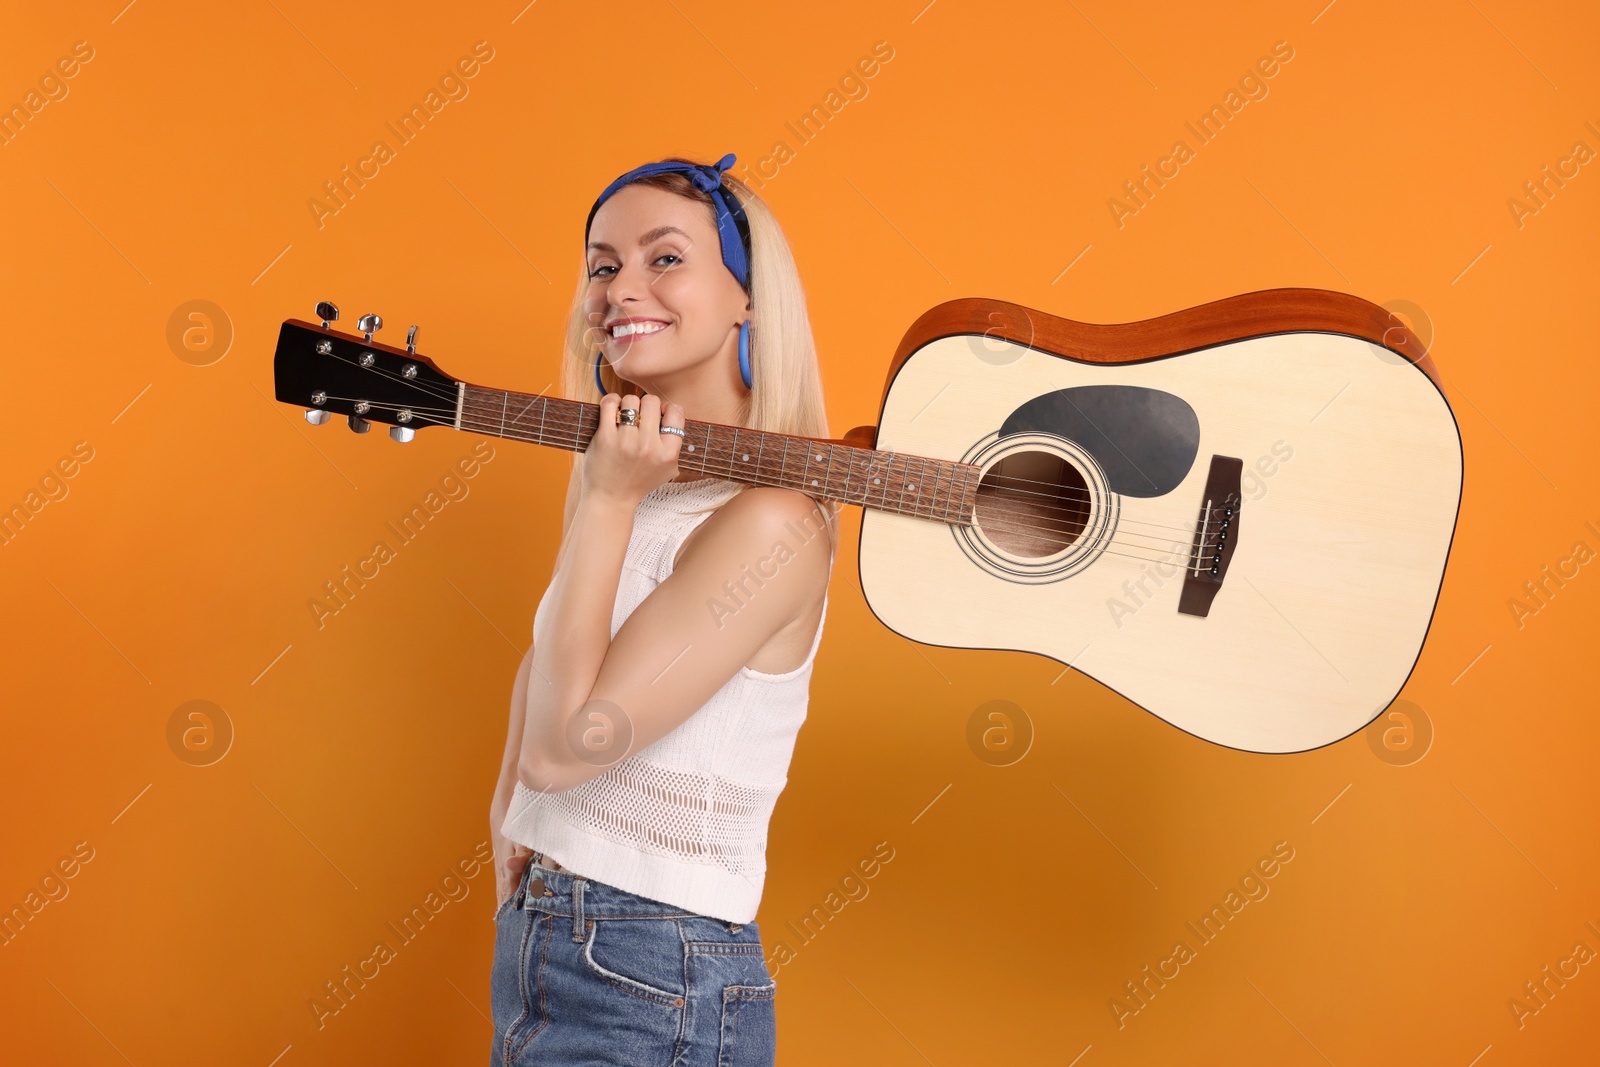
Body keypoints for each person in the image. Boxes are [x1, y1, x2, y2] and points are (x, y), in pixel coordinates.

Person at [486, 153, 838, 1066]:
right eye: (602, 265)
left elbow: (569, 745)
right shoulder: (640, 486)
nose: (618, 288)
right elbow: (556, 660)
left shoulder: (774, 521)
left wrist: (604, 501)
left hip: (654, 965)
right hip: (552, 939)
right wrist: (512, 825)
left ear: (746, 297)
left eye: (664, 257)